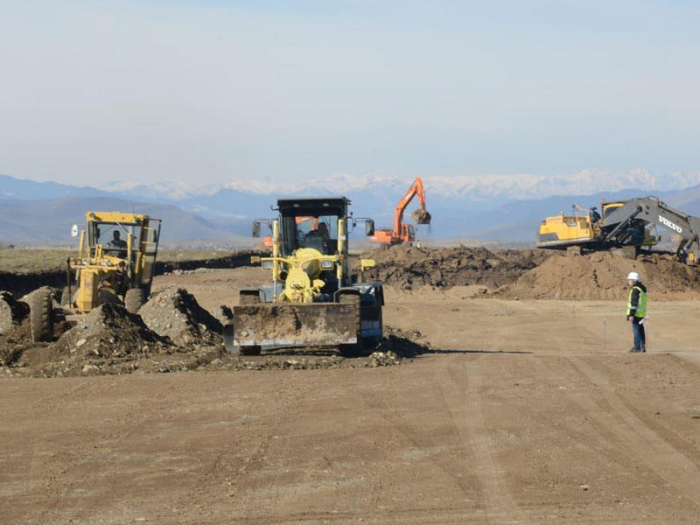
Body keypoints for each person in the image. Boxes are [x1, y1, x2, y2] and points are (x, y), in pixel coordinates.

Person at [626, 271, 647, 353]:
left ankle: (637, 347)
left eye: (630, 280)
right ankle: (642, 347)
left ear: (633, 280)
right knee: (641, 330)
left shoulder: (635, 290)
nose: (629, 281)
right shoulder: (641, 289)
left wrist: (631, 315)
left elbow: (634, 303)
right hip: (641, 314)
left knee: (636, 331)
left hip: (636, 314)